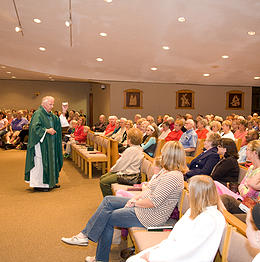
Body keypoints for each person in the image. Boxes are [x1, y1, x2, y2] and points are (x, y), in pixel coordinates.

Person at [61, 141, 186, 262]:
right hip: (145, 206)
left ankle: (99, 257)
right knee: (108, 201)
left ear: (170, 156)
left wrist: (134, 203)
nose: (161, 156)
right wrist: (135, 198)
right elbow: (149, 190)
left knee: (108, 218)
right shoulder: (166, 172)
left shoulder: (173, 176)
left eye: (163, 153)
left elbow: (153, 202)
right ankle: (84, 236)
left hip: (151, 215)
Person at [126, 175, 225, 262]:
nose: (189, 195)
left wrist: (153, 257)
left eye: (190, 192)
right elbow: (176, 238)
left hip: (186, 257)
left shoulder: (210, 219)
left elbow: (189, 250)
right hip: (175, 252)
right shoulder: (195, 210)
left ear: (197, 195)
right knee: (135, 259)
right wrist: (156, 251)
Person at [24, 96, 63, 192]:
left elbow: (57, 121)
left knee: (50, 162)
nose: (52, 106)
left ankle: (51, 182)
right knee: (40, 163)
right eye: (50, 104)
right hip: (40, 145)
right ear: (44, 104)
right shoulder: (38, 114)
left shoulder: (50, 115)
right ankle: (40, 185)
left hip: (50, 144)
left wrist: (64, 113)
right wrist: (46, 130)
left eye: (53, 104)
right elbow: (35, 128)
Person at [220, 140, 260, 221]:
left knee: (226, 214)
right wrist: (245, 186)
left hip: (251, 206)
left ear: (254, 153)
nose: (245, 152)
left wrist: (245, 185)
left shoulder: (258, 171)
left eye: (247, 149)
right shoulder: (251, 168)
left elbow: (248, 194)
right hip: (244, 201)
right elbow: (242, 185)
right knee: (223, 198)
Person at [100, 128, 144, 197]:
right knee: (103, 177)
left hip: (129, 176)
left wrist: (112, 170)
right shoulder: (138, 148)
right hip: (129, 172)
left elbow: (121, 165)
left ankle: (111, 202)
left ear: (129, 139)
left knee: (103, 182)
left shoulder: (131, 150)